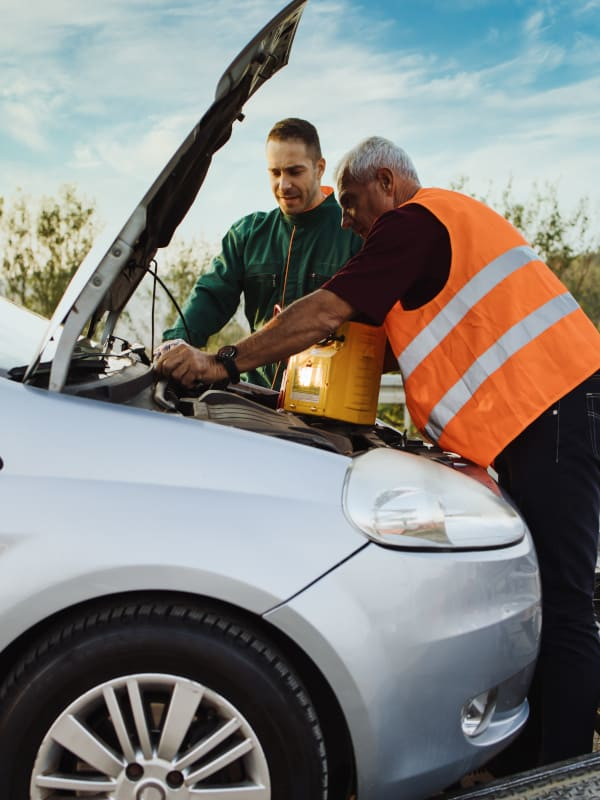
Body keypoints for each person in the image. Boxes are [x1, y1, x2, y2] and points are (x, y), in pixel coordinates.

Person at [156, 135, 600, 773]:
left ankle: (565, 775)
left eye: (356, 202)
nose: (347, 219)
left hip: (555, 412)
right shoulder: (432, 236)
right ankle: (528, 755)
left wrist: (225, 361)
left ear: (388, 183)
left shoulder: (415, 222)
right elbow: (381, 338)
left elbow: (328, 308)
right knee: (538, 595)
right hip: (540, 418)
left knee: (561, 601)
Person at [161, 117, 362, 389]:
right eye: (275, 172)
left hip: (326, 407)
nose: (284, 185)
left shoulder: (354, 232)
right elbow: (210, 297)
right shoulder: (246, 234)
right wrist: (175, 344)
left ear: (319, 168)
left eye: (295, 172)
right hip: (255, 396)